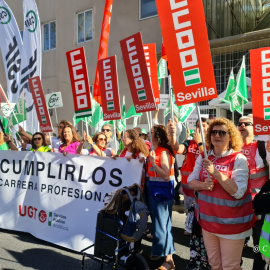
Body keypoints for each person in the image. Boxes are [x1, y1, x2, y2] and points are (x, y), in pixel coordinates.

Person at [188, 118, 254, 270]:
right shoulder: (204, 156)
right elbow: (191, 181)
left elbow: (238, 192)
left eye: (222, 132)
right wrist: (203, 185)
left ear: (230, 136)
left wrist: (215, 173)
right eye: (213, 132)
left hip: (231, 227)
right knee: (214, 265)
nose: (217, 135)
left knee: (230, 266)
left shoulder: (239, 159)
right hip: (208, 224)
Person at [168, 117, 210, 235]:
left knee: (202, 213)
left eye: (203, 125)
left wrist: (200, 143)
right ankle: (190, 226)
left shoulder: (213, 143)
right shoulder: (189, 143)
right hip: (189, 187)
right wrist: (173, 134)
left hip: (204, 187)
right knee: (190, 210)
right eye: (198, 125)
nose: (200, 128)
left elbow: (207, 159)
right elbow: (176, 148)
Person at [238, 114, 268, 270]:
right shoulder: (232, 147)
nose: (242, 126)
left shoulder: (262, 147)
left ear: (255, 127)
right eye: (239, 124)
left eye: (247, 124)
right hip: (237, 206)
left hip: (257, 207)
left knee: (259, 245)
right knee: (236, 245)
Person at [147, 124, 175, 270]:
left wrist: (152, 163)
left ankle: (168, 258)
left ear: (157, 136)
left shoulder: (163, 152)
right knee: (160, 225)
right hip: (155, 191)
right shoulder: (154, 151)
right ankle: (162, 253)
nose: (148, 133)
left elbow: (165, 175)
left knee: (163, 226)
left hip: (162, 192)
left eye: (150, 132)